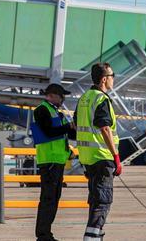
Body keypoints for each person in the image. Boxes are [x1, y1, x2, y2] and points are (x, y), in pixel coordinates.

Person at [77, 63, 121, 241]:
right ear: (104, 79)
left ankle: (96, 236)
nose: (113, 79)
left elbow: (75, 125)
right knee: (103, 202)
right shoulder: (102, 99)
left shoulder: (84, 98)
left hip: (88, 159)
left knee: (96, 200)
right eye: (112, 75)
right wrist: (116, 156)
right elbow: (104, 128)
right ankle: (91, 237)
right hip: (103, 157)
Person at [32, 83, 73, 241]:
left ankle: (46, 233)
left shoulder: (56, 112)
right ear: (53, 95)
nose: (63, 100)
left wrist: (68, 151)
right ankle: (43, 235)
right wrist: (67, 127)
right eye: (62, 96)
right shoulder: (42, 110)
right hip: (49, 162)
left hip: (57, 161)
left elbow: (62, 136)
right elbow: (48, 132)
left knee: (54, 199)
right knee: (48, 199)